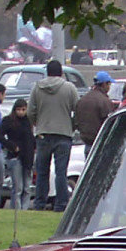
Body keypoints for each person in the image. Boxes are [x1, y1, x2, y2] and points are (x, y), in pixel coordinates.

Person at [28, 60, 79, 212]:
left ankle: (39, 204)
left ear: (47, 72)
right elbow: (77, 110)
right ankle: (60, 204)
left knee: (42, 172)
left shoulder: (37, 87)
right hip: (63, 133)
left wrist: (38, 123)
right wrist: (72, 125)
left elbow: (30, 111)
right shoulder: (69, 88)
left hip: (43, 133)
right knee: (61, 172)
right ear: (61, 73)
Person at [0, 98, 34, 209]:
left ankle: (24, 210)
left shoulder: (28, 121)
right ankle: (16, 210)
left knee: (27, 187)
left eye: (23, 109)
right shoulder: (9, 121)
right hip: (15, 157)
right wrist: (11, 146)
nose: (21, 112)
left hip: (28, 157)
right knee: (18, 187)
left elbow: (30, 138)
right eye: (18, 109)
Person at [74, 71, 116, 146]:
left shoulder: (82, 99)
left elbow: (76, 121)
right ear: (104, 84)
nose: (109, 87)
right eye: (109, 84)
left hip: (86, 142)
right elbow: (110, 124)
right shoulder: (104, 101)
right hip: (100, 143)